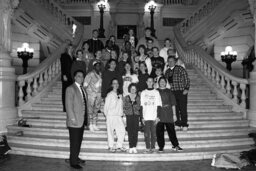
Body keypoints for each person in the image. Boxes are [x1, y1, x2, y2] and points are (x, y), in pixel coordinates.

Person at [65, 70, 87, 169]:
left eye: (82, 76)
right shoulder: (70, 88)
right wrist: (72, 118)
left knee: (78, 141)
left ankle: (75, 157)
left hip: (81, 120)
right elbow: (68, 105)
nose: (81, 78)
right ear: (74, 77)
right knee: (74, 142)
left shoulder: (83, 89)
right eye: (79, 76)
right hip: (74, 121)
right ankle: (73, 162)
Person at [156, 77, 183, 152]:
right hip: (159, 113)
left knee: (171, 131)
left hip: (168, 113)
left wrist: (174, 114)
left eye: (163, 81)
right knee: (159, 131)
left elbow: (173, 104)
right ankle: (161, 146)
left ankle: (175, 145)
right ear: (158, 83)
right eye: (160, 81)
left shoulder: (169, 91)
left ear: (166, 83)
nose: (162, 83)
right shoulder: (156, 91)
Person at [165, 56, 190, 131]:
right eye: (169, 61)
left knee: (183, 109)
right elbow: (166, 83)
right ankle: (178, 124)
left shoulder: (180, 69)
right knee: (175, 109)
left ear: (175, 62)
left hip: (181, 91)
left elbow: (186, 78)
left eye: (172, 61)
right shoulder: (167, 72)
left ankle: (184, 124)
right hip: (172, 93)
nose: (170, 62)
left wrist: (186, 88)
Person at [104, 78, 126, 152]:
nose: (115, 85)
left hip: (118, 116)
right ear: (111, 85)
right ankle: (111, 146)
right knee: (110, 132)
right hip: (110, 116)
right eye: (114, 83)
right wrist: (106, 116)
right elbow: (106, 107)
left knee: (122, 130)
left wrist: (122, 114)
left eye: (117, 83)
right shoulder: (109, 94)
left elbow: (121, 106)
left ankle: (119, 145)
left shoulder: (120, 95)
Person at [141, 77, 162, 153]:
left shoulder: (156, 92)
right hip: (146, 117)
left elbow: (159, 105)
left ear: (153, 82)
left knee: (153, 134)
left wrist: (158, 117)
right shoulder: (143, 92)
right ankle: (147, 147)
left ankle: (153, 147)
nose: (150, 82)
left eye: (151, 81)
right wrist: (142, 117)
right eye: (148, 81)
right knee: (146, 134)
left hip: (154, 117)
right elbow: (141, 106)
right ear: (146, 82)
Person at [83, 60, 102, 132]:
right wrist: (87, 94)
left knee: (96, 110)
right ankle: (90, 124)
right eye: (97, 65)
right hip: (91, 95)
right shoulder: (90, 74)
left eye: (99, 65)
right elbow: (85, 85)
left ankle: (94, 124)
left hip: (98, 95)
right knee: (90, 110)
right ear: (94, 66)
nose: (98, 67)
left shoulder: (100, 74)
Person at [123, 83, 141, 154]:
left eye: (134, 88)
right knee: (130, 131)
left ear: (136, 89)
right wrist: (131, 105)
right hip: (129, 115)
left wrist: (134, 104)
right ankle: (131, 146)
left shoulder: (138, 97)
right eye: (132, 88)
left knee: (135, 131)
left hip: (136, 115)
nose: (133, 90)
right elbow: (124, 106)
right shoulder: (126, 97)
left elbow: (139, 106)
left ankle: (134, 146)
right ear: (129, 89)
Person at [60, 44, 74, 112]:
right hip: (66, 76)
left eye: (72, 48)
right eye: (69, 48)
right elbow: (63, 66)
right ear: (67, 48)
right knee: (65, 92)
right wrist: (64, 75)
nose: (71, 49)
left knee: (71, 93)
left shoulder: (73, 57)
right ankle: (65, 108)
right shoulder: (64, 56)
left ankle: (70, 107)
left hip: (72, 77)